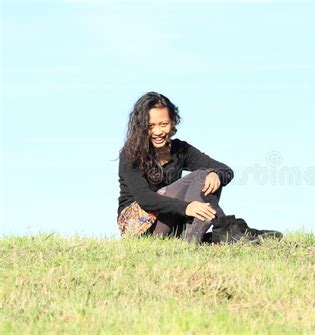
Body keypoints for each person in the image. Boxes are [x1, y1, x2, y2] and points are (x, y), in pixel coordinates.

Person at [117, 91, 281, 243]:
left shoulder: (180, 149)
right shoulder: (130, 153)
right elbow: (145, 199)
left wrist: (216, 175)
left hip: (171, 223)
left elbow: (226, 170)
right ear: (141, 126)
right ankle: (224, 229)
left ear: (173, 123)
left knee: (208, 175)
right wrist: (186, 207)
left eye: (163, 124)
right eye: (151, 126)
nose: (158, 131)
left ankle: (200, 236)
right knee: (201, 176)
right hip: (140, 227)